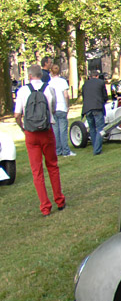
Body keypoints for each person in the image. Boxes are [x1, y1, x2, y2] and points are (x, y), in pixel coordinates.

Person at [14, 64, 65, 216]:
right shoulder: (49, 89)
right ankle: (59, 200)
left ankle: (45, 206)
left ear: (29, 76)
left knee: (37, 171)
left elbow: (17, 115)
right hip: (46, 130)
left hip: (31, 133)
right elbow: (53, 109)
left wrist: (23, 127)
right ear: (41, 75)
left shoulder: (22, 91)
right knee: (52, 166)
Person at [48, 63, 74, 157]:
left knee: (55, 131)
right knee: (63, 130)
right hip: (62, 107)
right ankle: (66, 150)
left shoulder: (49, 83)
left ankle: (58, 150)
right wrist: (67, 106)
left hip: (53, 108)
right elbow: (66, 95)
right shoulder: (62, 81)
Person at [81, 68, 108, 155]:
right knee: (100, 128)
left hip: (87, 108)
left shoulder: (85, 84)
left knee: (92, 128)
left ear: (90, 77)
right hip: (97, 107)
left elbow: (84, 97)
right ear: (97, 76)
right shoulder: (101, 82)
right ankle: (97, 149)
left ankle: (95, 145)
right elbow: (105, 96)